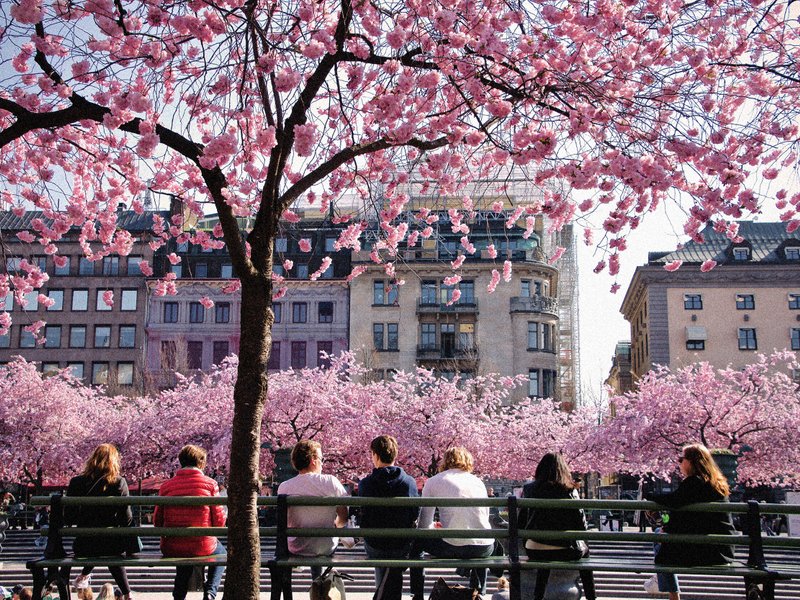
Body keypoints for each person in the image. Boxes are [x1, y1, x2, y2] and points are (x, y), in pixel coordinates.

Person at [646, 443, 735, 600]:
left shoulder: (694, 482)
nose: (679, 463)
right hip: (722, 549)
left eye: (682, 459)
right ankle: (668, 589)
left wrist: (649, 497)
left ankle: (671, 593)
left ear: (692, 461)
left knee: (658, 539)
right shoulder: (717, 483)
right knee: (660, 536)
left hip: (706, 552)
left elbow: (673, 501)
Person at [411, 446, 494, 598]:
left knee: (417, 541)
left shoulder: (434, 481)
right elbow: (483, 519)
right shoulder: (478, 482)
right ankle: (479, 592)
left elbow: (423, 525)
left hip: (454, 546)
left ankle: (417, 593)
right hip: (484, 547)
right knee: (480, 541)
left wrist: (437, 529)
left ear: (445, 461)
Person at [518, 453, 596, 600]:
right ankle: (591, 597)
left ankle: (538, 596)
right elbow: (581, 526)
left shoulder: (529, 489)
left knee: (544, 553)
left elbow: (521, 522)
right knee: (586, 552)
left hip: (534, 549)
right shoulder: (570, 490)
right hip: (564, 550)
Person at [154, 445, 227, 600]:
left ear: (181, 462)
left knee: (184, 554)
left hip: (173, 546)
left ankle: (179, 596)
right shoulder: (210, 484)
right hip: (202, 545)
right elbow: (219, 523)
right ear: (201, 463)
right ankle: (210, 593)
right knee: (221, 553)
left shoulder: (166, 485)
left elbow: (157, 522)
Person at [63, 444, 134, 600]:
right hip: (112, 545)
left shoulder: (76, 482)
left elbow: (68, 517)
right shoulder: (119, 482)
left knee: (97, 541)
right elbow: (126, 519)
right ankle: (128, 594)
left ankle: (83, 576)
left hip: (84, 545)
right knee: (109, 545)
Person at [358, 435, 420, 599]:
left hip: (375, 544)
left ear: (375, 455)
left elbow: (363, 515)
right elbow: (415, 513)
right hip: (401, 545)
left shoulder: (366, 483)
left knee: (381, 551)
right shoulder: (409, 482)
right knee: (396, 556)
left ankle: (382, 592)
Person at [276, 440, 348, 579]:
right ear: (313, 460)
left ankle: (317, 580)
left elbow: (284, 521)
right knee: (321, 543)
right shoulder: (331, 482)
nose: (322, 463)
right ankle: (320, 582)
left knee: (312, 540)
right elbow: (344, 517)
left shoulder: (284, 487)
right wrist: (335, 526)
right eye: (321, 459)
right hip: (326, 546)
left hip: (297, 546)